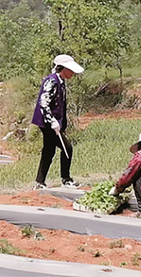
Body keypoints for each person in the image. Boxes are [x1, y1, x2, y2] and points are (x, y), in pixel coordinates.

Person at [31, 54, 84, 189]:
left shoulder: (60, 81)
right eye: (70, 70)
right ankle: (66, 179)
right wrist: (52, 121)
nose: (72, 73)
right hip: (47, 122)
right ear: (63, 69)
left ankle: (40, 182)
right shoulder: (52, 81)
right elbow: (43, 103)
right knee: (67, 147)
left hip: (52, 122)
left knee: (49, 150)